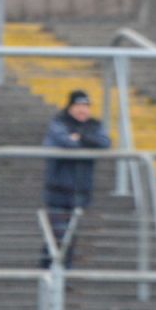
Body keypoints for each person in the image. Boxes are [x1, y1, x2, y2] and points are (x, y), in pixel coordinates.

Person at [40, 89, 112, 269]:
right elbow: (64, 141)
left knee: (69, 237)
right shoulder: (58, 123)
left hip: (80, 192)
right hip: (58, 191)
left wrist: (81, 138)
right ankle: (50, 272)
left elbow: (104, 142)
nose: (82, 110)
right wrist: (85, 142)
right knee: (58, 236)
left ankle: (61, 274)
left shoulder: (94, 125)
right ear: (70, 107)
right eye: (78, 106)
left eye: (86, 106)